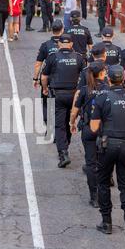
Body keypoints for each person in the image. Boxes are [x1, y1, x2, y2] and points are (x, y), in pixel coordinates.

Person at [90, 65, 125, 240]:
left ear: (108, 78)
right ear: (124, 78)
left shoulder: (103, 97)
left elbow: (93, 127)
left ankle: (106, 222)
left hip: (107, 145)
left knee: (104, 182)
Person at [41, 34, 85, 168]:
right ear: (71, 44)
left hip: (58, 95)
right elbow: (84, 77)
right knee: (69, 122)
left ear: (59, 44)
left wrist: (44, 89)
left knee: (59, 125)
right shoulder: (79, 58)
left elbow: (44, 77)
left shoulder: (53, 57)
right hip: (74, 95)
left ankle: (63, 152)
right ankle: (66, 146)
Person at [70, 60, 110, 207]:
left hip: (88, 129)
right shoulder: (109, 90)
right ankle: (104, 192)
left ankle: (95, 196)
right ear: (102, 73)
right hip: (105, 130)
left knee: (91, 163)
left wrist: (71, 123)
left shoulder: (84, 90)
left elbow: (75, 111)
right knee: (104, 163)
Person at [34, 20, 64, 126]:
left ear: (52, 30)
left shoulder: (45, 45)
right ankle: (60, 125)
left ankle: (48, 123)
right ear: (62, 30)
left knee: (46, 102)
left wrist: (35, 78)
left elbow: (38, 64)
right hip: (63, 78)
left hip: (47, 78)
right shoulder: (67, 45)